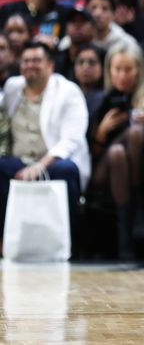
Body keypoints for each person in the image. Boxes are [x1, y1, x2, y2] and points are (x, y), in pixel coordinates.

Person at [0, 41, 91, 241]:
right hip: (20, 160)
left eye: (36, 60)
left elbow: (71, 139)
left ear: (50, 65)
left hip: (52, 162)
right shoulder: (12, 88)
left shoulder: (68, 91)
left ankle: (68, 242)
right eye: (26, 61)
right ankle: (5, 240)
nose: (30, 65)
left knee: (66, 170)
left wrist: (40, 166)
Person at [88, 42, 144, 258]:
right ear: (109, 71)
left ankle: (125, 236)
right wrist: (101, 133)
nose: (123, 75)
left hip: (135, 166)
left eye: (128, 69)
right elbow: (91, 154)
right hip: (100, 170)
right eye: (118, 69)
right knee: (127, 140)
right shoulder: (97, 100)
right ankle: (137, 207)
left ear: (138, 70)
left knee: (121, 151)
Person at [55, 5, 96, 79]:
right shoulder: (57, 59)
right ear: (66, 28)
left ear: (93, 27)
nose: (77, 25)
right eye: (73, 21)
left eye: (82, 21)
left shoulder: (101, 56)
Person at [72, 43, 105, 115]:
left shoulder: (107, 99)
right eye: (81, 62)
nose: (85, 67)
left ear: (103, 67)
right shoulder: (67, 95)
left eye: (92, 62)